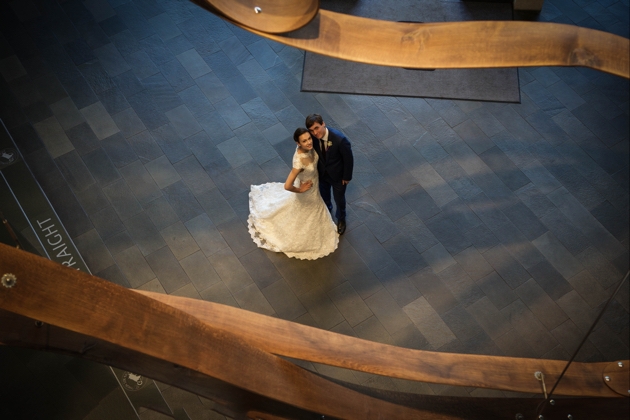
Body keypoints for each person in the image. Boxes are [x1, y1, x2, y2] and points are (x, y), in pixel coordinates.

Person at [247, 128, 339, 260]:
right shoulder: (299, 163)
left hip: (314, 186)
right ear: (298, 143)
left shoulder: (310, 147)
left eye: (309, 138)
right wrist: (300, 190)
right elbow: (287, 185)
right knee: (309, 210)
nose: (308, 142)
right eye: (304, 141)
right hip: (307, 193)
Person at [306, 114, 354, 235]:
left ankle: (341, 219)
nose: (315, 133)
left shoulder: (339, 139)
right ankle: (327, 211)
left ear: (323, 124)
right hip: (322, 175)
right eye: (311, 130)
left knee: (339, 199)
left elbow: (348, 159)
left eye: (317, 128)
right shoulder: (313, 139)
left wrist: (347, 177)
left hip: (338, 177)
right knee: (324, 195)